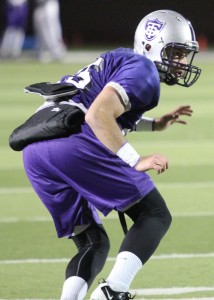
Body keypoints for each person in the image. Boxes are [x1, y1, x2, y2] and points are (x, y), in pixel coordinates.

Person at [21, 9, 201, 300]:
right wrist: (135, 160)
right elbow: (99, 114)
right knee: (154, 215)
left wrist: (155, 124)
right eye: (176, 53)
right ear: (151, 45)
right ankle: (112, 291)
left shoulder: (120, 57)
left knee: (92, 242)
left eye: (183, 55)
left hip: (37, 147)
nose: (181, 63)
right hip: (73, 143)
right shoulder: (144, 70)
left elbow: (101, 109)